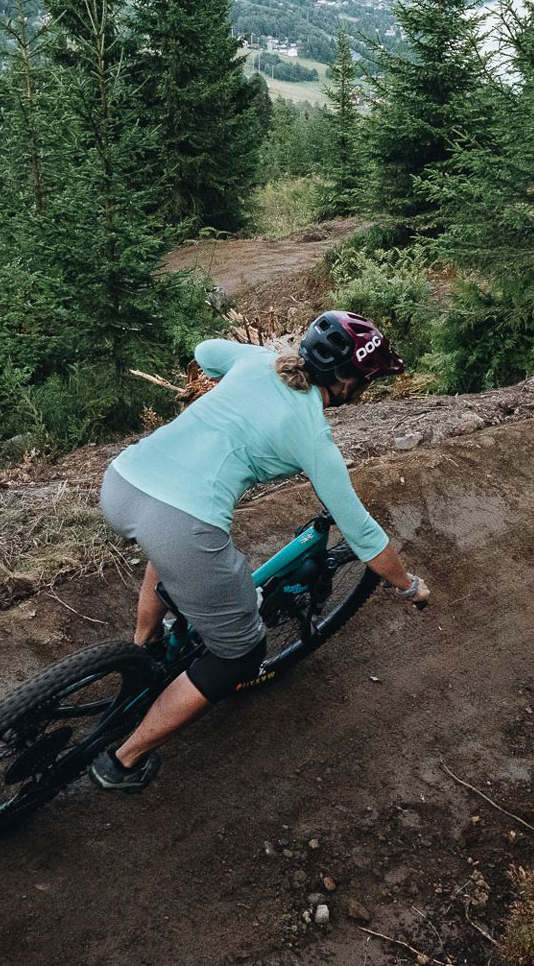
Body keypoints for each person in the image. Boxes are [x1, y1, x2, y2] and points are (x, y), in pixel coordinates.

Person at [90, 311, 430, 791]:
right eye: (366, 382)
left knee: (164, 549)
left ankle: (141, 649)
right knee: (240, 655)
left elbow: (206, 352)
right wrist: (408, 586)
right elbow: (365, 536)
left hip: (123, 481)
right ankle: (122, 761)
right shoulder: (311, 432)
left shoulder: (259, 361)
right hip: (181, 522)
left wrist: (255, 361)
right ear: (349, 381)